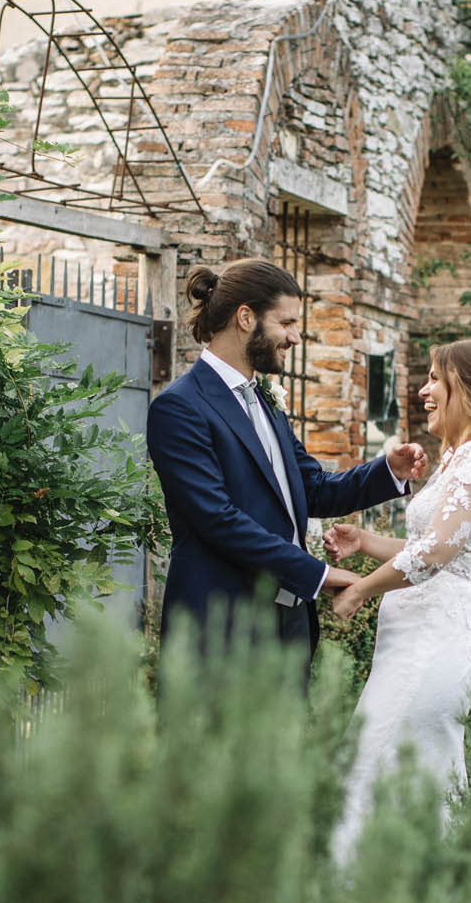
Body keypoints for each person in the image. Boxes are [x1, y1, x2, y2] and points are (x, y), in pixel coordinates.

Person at [144, 257, 427, 669]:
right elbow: (217, 519)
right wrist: (320, 575)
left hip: (290, 624)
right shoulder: (180, 408)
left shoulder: (264, 401)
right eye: (287, 323)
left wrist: (387, 471)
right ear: (245, 318)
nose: (296, 337)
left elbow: (311, 488)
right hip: (220, 629)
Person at [323, 338, 471, 867]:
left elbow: (436, 553)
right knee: (405, 780)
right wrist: (366, 544)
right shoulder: (462, 457)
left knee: (370, 773)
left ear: (470, 390)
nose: (424, 390)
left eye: (436, 379)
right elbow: (438, 548)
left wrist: (360, 591)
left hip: (427, 651)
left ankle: (353, 902)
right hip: (416, 647)